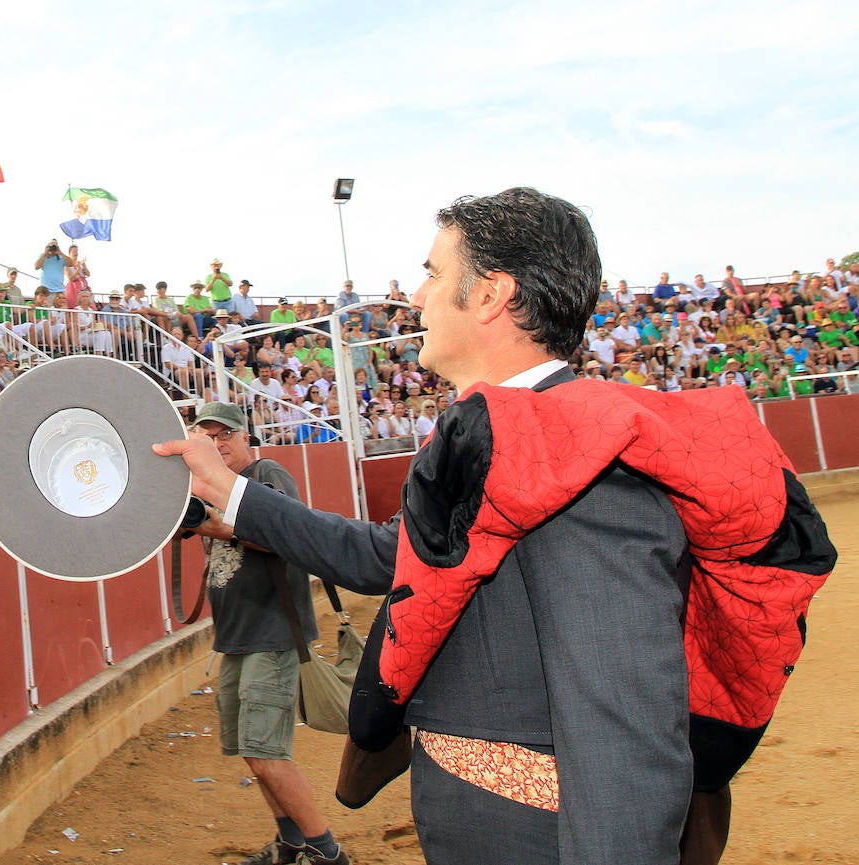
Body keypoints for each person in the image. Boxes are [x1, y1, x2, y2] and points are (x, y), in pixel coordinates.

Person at [155, 186, 834, 865]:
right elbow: (389, 557)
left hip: (532, 835)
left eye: (432, 274)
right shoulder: (517, 437)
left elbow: (624, 729)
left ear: (490, 295)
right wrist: (227, 488)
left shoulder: (584, 458)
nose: (417, 299)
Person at [179, 401, 348, 865]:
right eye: (207, 438)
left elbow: (281, 534)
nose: (217, 446)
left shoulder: (267, 475)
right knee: (255, 755)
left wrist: (210, 526)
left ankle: (328, 853)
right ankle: (292, 843)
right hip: (235, 636)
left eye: (224, 436)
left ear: (244, 438)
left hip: (272, 632)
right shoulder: (208, 486)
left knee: (266, 753)